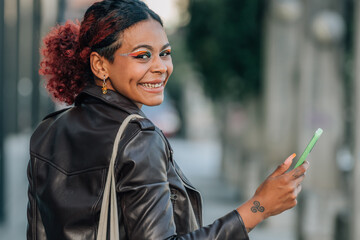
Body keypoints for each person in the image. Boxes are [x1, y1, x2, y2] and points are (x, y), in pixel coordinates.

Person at [27, 0, 309, 239]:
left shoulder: (48, 130)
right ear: (101, 65)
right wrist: (258, 207)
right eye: (143, 56)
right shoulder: (138, 140)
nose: (160, 67)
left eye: (165, 53)